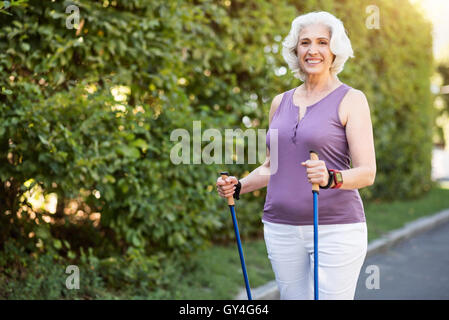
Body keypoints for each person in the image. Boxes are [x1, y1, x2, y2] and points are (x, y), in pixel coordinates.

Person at [216, 11, 376, 300]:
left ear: (334, 50)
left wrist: (331, 177)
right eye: (305, 43)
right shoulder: (280, 102)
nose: (313, 50)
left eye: (322, 42)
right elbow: (271, 166)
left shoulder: (352, 100)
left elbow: (367, 172)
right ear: (295, 50)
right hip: (280, 228)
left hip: (336, 229)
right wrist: (238, 185)